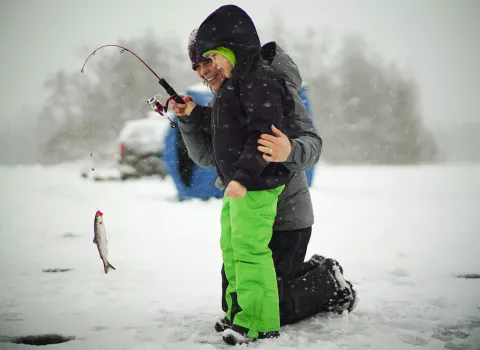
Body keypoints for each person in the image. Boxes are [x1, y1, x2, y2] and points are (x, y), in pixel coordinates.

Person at [173, 7, 357, 344]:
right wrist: (188, 117)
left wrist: (289, 150)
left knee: (274, 304)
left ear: (228, 52)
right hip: (247, 209)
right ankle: (291, 283)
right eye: (198, 65)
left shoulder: (270, 86)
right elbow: (205, 158)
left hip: (286, 216)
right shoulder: (228, 96)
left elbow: (313, 145)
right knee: (241, 294)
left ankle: (329, 280)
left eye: (208, 60)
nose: (204, 71)